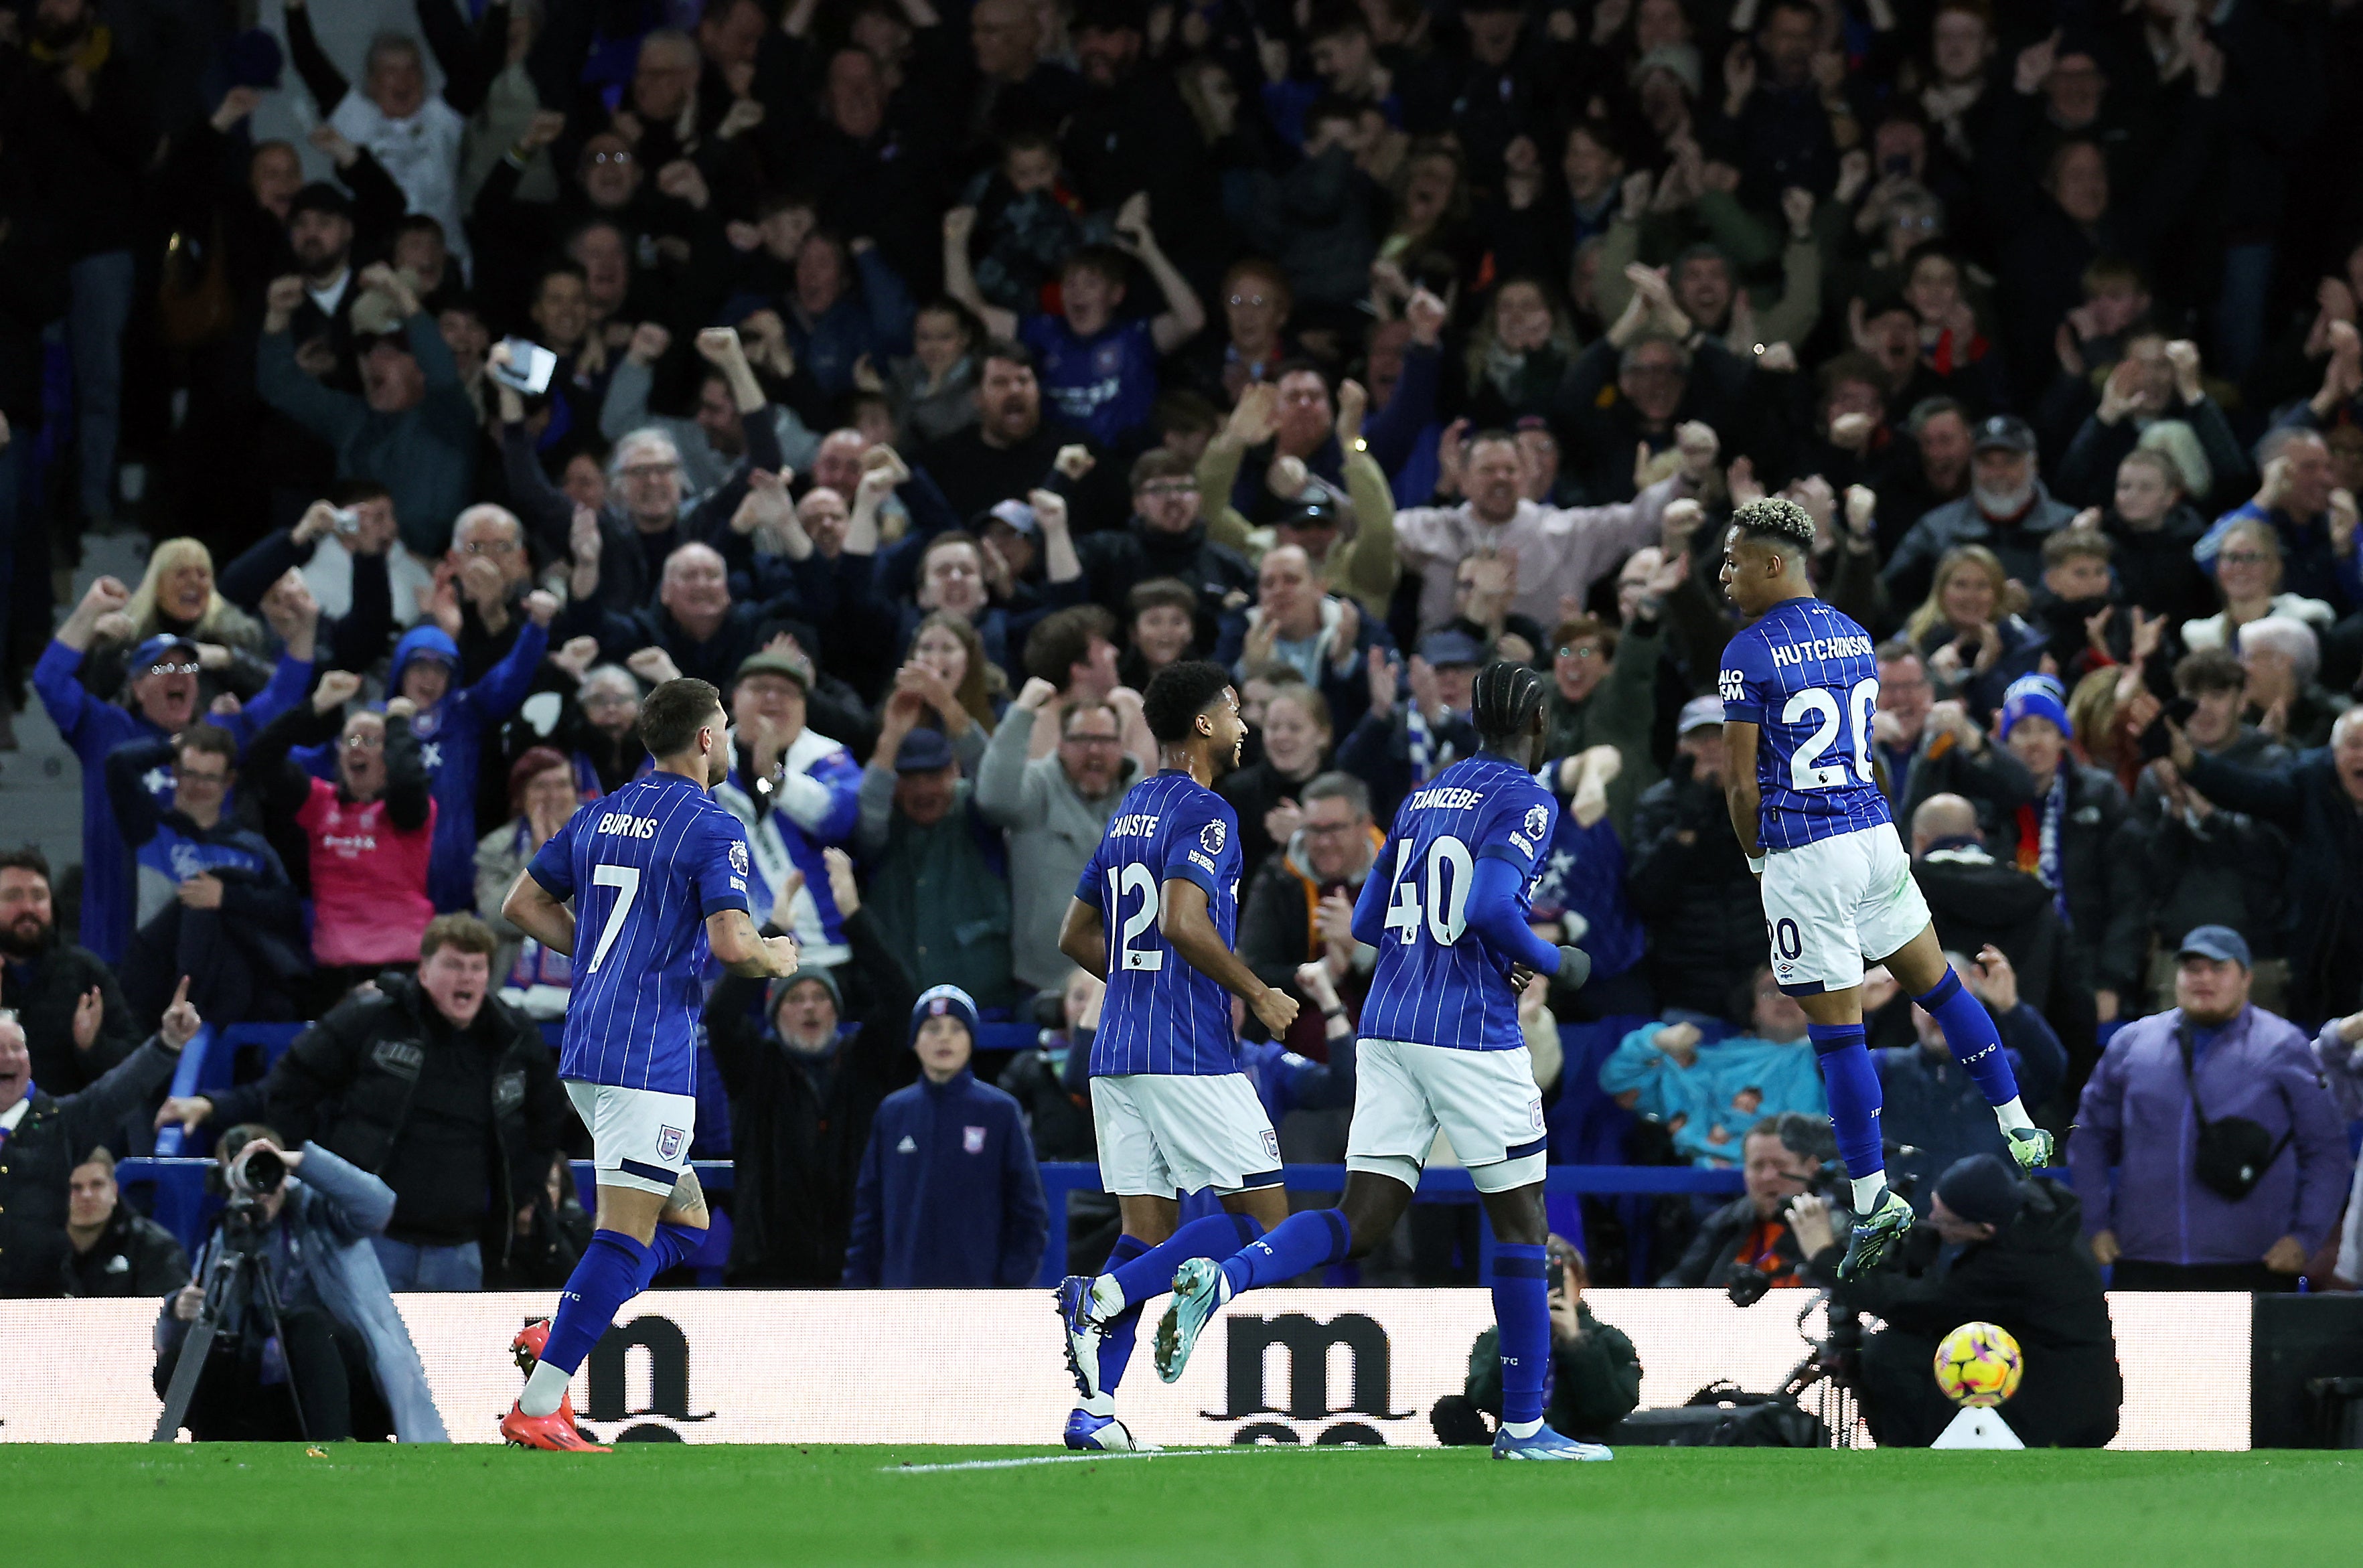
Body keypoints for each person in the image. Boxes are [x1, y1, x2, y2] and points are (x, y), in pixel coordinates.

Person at [1154, 661, 1608, 1461]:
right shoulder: (1527, 797)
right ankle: (1527, 1427)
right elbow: (1490, 906)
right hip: (1468, 1031)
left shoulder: (1423, 794)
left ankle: (1227, 1278)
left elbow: (1366, 917)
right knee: (1523, 1224)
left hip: (1388, 1023)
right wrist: (1552, 957)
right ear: (1538, 728)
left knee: (1360, 1220)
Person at [1716, 496, 2050, 1281]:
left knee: (1838, 1037)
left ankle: (1872, 1198)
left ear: (1773, 562)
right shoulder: (1854, 634)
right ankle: (2019, 1121)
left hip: (1805, 849)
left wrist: (1760, 862)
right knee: (1940, 986)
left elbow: (1738, 787)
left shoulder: (1746, 651)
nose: (1724, 574)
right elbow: (1865, 755)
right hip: (1873, 831)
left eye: (1734, 560)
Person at [496, 677, 799, 1450]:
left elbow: (520, 906)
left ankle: (563, 1320)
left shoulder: (599, 813)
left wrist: (602, 952)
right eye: (724, 728)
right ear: (705, 738)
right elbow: (733, 946)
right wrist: (777, 955)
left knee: (689, 1222)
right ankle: (539, 1400)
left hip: (588, 1047)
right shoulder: (711, 824)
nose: (726, 742)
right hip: (646, 1053)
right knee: (626, 1235)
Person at [1049, 660, 1300, 1453]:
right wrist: (1257, 992)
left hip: (1115, 1047)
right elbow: (1185, 922)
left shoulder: (1130, 810)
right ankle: (1104, 1296)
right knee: (1263, 1227)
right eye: (1233, 711)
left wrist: (1134, 983)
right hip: (1187, 1052)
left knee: (1148, 1234)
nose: (1243, 726)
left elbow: (1075, 934)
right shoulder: (1209, 811)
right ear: (1201, 725)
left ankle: (1095, 1409)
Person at [2070, 926, 2351, 1291]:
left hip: (2253, 1261)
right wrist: (2095, 1223)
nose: (2203, 979)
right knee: (2143, 1352)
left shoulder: (2283, 1046)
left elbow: (2327, 1148)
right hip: (2145, 1259)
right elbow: (2088, 1135)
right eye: (2192, 968)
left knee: (2244, 1353)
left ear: (2246, 978)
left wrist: (2305, 1237)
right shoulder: (2132, 1044)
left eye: (2218, 969)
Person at [153, 1125, 447, 1442]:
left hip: (336, 1372)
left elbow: (378, 1206)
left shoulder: (320, 1213)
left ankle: (334, 1448)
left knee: (305, 1325)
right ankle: (211, 1451)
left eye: (266, 1169)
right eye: (244, 1172)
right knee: (178, 1361)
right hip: (262, 1385)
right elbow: (201, 1323)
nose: (258, 1186)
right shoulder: (226, 1233)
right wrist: (177, 1309)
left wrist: (301, 1162)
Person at [710, 850, 917, 1286]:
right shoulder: (755, 1068)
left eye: (820, 998)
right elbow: (720, 1016)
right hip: (765, 1272)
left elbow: (899, 999)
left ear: (836, 1011)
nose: (808, 1008)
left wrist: (854, 917)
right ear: (776, 1012)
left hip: (854, 1267)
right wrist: (772, 935)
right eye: (795, 998)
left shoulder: (863, 1063)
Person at [1843, 1154, 2123, 1449]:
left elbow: (1914, 1304)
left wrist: (1825, 1257)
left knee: (1892, 1351)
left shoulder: (2015, 1264)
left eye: (1946, 1220)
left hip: (2063, 1409)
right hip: (2083, 1389)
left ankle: (1914, 1451)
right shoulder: (2039, 1218)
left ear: (1984, 1229)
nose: (1934, 1221)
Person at [240, 672, 435, 1005]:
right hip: (334, 974)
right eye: (352, 740)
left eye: (372, 741)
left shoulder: (412, 810)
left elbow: (407, 781)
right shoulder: (319, 803)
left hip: (403, 968)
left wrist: (400, 723)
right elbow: (260, 758)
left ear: (390, 755)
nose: (358, 748)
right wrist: (315, 706)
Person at [842, 985, 1048, 1288]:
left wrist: (1008, 1288)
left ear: (972, 1039)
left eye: (956, 1028)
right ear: (914, 1041)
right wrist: (858, 1287)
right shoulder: (893, 1112)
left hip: (980, 1296)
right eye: (932, 1028)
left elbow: (1029, 1214)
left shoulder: (1000, 1112)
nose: (944, 1037)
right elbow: (869, 1213)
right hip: (902, 1295)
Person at [0, 984, 196, 1298]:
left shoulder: (61, 1124)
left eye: (17, 1048)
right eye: (0, 1050)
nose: (9, 1058)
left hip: (40, 1316)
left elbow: (116, 1093)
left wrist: (167, 1044)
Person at [1873, 947, 2069, 1206]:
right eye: (1928, 1001)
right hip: (1909, 1230)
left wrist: (2012, 1008)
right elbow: (1836, 1078)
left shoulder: (2001, 1066)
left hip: (1989, 1230)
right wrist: (1856, 1012)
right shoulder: (1885, 1067)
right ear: (1912, 1010)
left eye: (1955, 1001)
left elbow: (2051, 1070)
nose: (1941, 1014)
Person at [1450, 1238, 1641, 1445]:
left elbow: (1613, 1408)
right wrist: (1516, 1333)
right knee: (1449, 1409)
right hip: (1515, 1437)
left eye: (1556, 1280)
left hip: (1586, 1440)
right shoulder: (1495, 1337)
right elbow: (1485, 1398)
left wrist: (1577, 1344)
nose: (1546, 1290)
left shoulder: (1609, 1340)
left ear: (1580, 1283)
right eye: (1536, 1282)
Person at [0, 846, 138, 1095]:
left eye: (39, 896)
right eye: (13, 896)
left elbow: (132, 1068)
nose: (28, 908)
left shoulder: (85, 971)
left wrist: (92, 1046)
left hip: (68, 1123)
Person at [1657, 1113, 1851, 1289]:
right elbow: (1681, 1281)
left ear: (1811, 1167)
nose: (1768, 1177)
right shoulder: (1728, 1222)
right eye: (1758, 1166)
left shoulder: (1841, 1224)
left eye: (1780, 1165)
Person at [62, 1148, 190, 1298]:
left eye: (97, 1185)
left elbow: (168, 1318)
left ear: (114, 1191)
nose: (87, 1195)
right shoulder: (35, 1247)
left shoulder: (154, 1248)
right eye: (75, 1187)